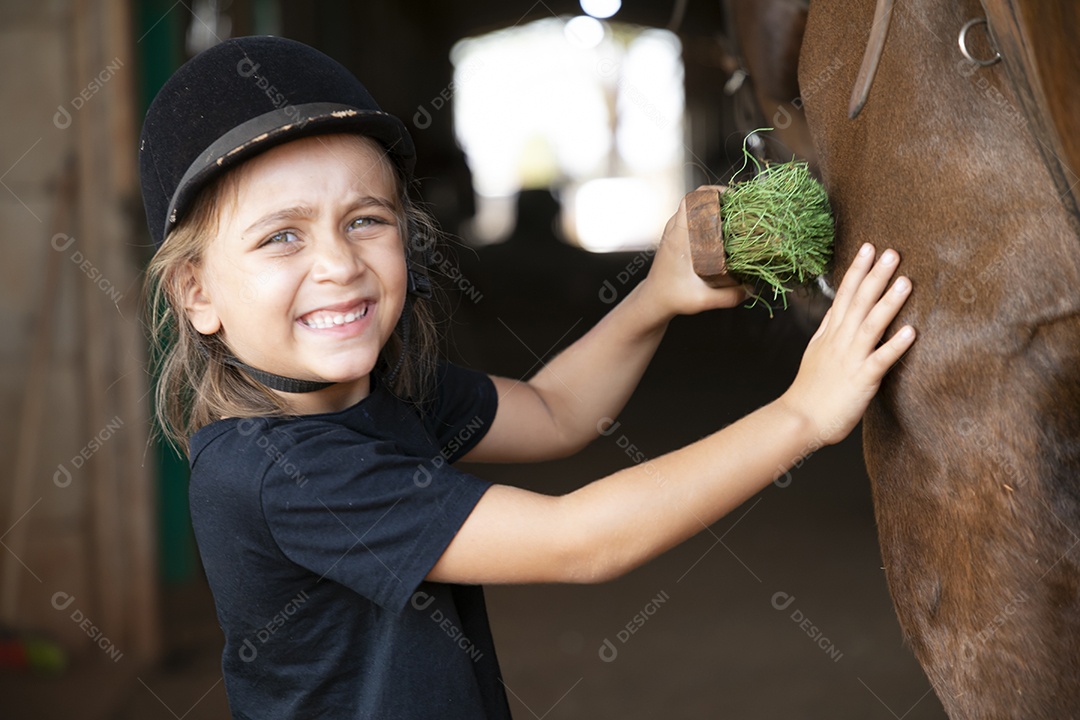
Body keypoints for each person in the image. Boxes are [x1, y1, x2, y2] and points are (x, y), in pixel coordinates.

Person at [140, 36, 916, 720]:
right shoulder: (284, 475)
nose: (340, 264)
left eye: (365, 219)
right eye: (281, 237)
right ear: (197, 294)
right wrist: (803, 417)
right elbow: (580, 542)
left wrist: (655, 295)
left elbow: (556, 412)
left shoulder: (382, 394)